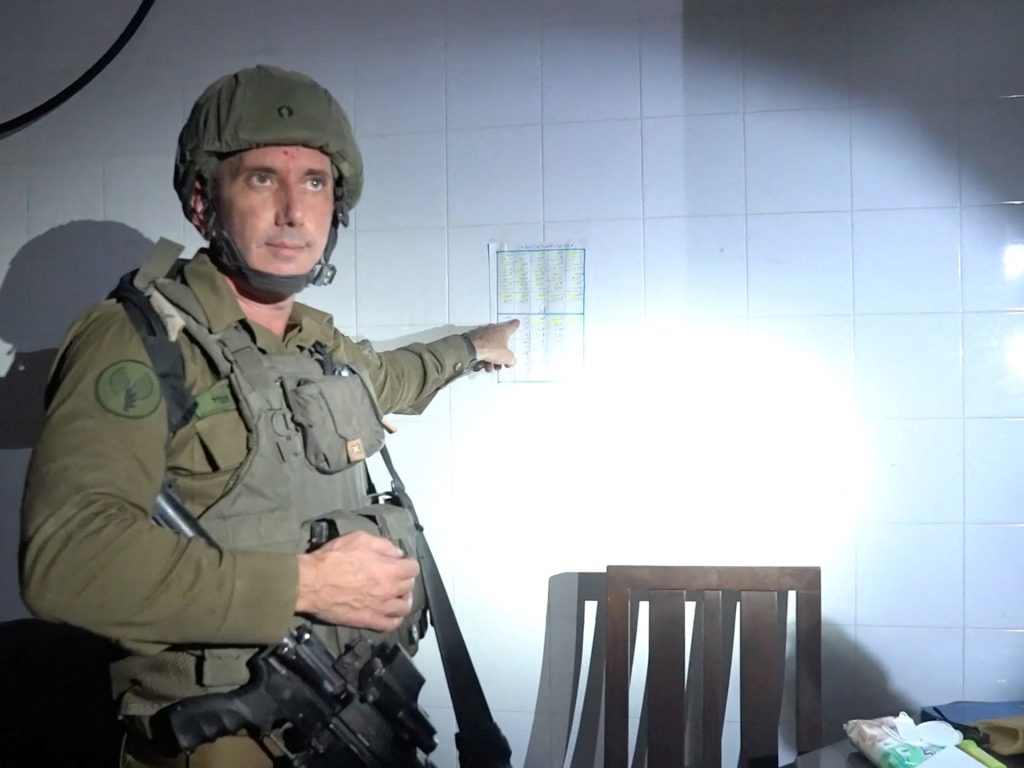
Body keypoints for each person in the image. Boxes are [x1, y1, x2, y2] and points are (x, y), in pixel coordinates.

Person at [19, 64, 519, 767]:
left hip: (352, 721)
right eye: (261, 179)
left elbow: (393, 379)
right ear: (203, 202)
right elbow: (67, 561)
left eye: (314, 183)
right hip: (228, 742)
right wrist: (309, 585)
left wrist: (472, 349)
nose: (293, 210)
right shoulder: (139, 340)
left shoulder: (319, 346)